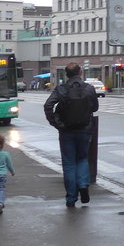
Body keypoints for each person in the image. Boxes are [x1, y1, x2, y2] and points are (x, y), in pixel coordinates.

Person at [44, 62, 100, 207]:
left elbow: (48, 105)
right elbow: (95, 107)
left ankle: (71, 198)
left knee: (69, 164)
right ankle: (83, 185)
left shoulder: (61, 89)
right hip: (84, 129)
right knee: (82, 158)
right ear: (80, 73)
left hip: (66, 131)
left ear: (66, 75)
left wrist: (56, 123)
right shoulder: (89, 89)